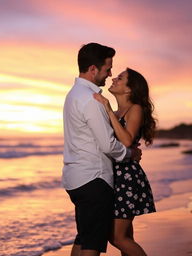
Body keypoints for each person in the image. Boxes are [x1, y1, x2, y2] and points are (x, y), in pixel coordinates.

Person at [62, 43, 141, 256]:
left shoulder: (73, 94)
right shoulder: (91, 99)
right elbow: (108, 144)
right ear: (93, 69)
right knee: (92, 244)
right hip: (93, 178)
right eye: (108, 69)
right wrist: (130, 154)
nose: (110, 74)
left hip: (75, 178)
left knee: (84, 236)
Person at [93, 68, 156, 256]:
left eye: (120, 78)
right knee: (126, 236)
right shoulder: (117, 111)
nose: (114, 78)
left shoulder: (134, 108)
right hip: (117, 176)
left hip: (127, 177)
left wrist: (107, 110)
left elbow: (127, 140)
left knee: (117, 237)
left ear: (129, 89)